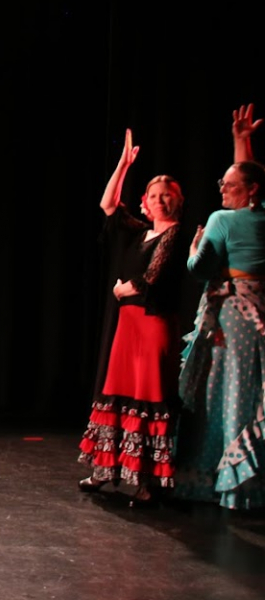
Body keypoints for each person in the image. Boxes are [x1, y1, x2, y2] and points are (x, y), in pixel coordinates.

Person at [77, 130, 186, 506]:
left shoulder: (175, 234)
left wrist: (127, 289)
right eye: (154, 195)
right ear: (145, 203)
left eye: (167, 194)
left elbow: (153, 276)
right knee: (117, 392)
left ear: (178, 200)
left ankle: (146, 483)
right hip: (128, 326)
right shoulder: (140, 233)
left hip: (153, 324)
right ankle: (105, 470)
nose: (160, 200)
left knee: (147, 396)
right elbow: (108, 204)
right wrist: (123, 165)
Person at [172, 105, 265, 509]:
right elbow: (251, 181)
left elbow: (200, 269)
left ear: (249, 190)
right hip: (259, 315)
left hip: (231, 317)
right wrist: (242, 142)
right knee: (252, 389)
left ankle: (216, 481)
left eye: (228, 185)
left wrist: (194, 248)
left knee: (222, 393)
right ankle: (250, 484)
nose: (222, 189)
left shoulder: (221, 220)